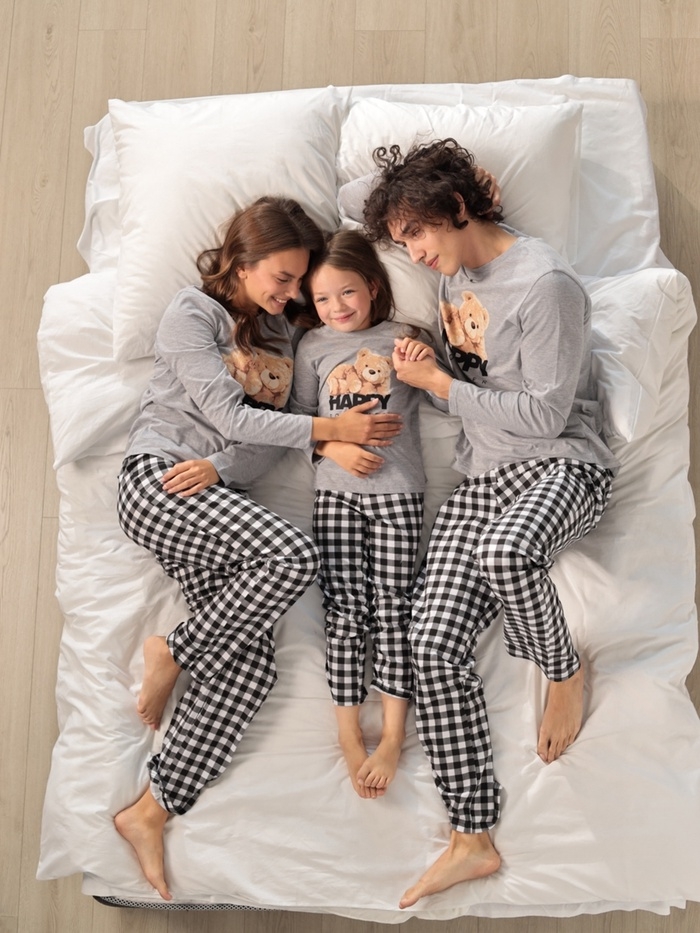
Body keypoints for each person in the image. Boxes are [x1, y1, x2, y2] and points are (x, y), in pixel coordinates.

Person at [113, 197, 403, 901]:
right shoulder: (192, 314)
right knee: (293, 555)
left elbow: (261, 444)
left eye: (300, 279)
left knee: (250, 670)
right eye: (282, 276)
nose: (292, 291)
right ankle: (175, 650)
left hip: (214, 497)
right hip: (158, 483)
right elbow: (225, 413)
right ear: (241, 262)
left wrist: (222, 467)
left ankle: (149, 809)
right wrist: (330, 431)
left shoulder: (282, 336)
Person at [362, 139, 619, 907]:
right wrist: (438, 184)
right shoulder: (454, 269)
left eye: (417, 233)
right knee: (429, 642)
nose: (413, 252)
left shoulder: (546, 285)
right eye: (403, 240)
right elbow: (350, 199)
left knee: (508, 554)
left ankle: (563, 670)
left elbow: (545, 415)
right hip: (483, 478)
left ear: (456, 208)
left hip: (560, 465)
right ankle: (472, 836)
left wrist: (439, 383)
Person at [291, 229, 430, 799]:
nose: (337, 307)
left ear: (373, 286)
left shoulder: (404, 338)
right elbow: (297, 421)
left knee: (394, 610)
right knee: (345, 612)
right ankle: (350, 732)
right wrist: (334, 448)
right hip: (336, 495)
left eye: (347, 292)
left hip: (399, 495)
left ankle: (393, 734)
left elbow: (444, 395)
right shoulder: (312, 347)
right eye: (323, 299)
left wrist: (424, 362)